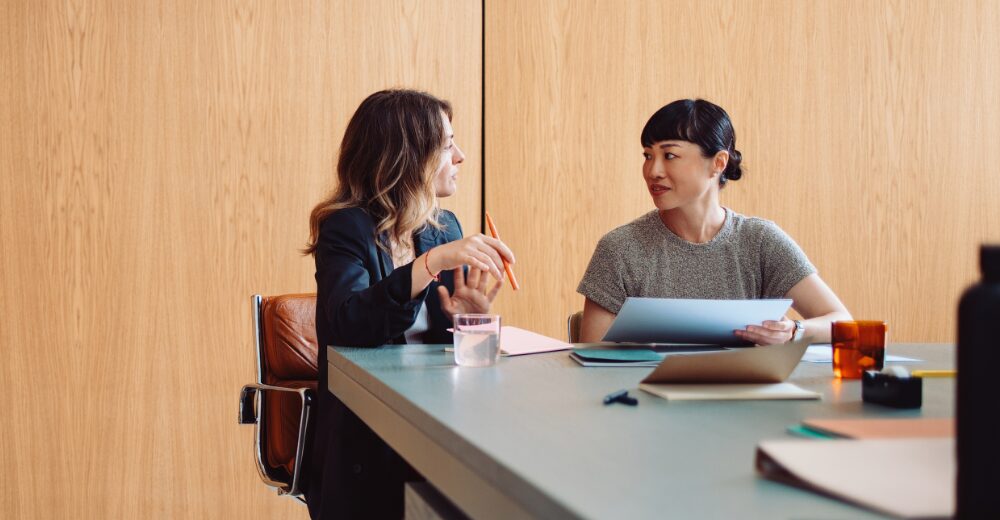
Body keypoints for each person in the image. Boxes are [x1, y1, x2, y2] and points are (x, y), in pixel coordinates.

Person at [302, 89, 515, 519]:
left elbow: (445, 355)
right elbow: (348, 325)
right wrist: (429, 264)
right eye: (447, 145)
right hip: (367, 438)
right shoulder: (345, 227)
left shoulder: (443, 226)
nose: (460, 156)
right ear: (407, 157)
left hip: (437, 421)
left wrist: (469, 322)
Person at [577, 98, 850, 344]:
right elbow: (592, 354)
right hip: (646, 385)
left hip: (746, 386)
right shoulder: (619, 248)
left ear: (718, 163)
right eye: (648, 156)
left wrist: (793, 331)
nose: (653, 171)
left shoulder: (760, 241)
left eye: (669, 155)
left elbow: (841, 321)